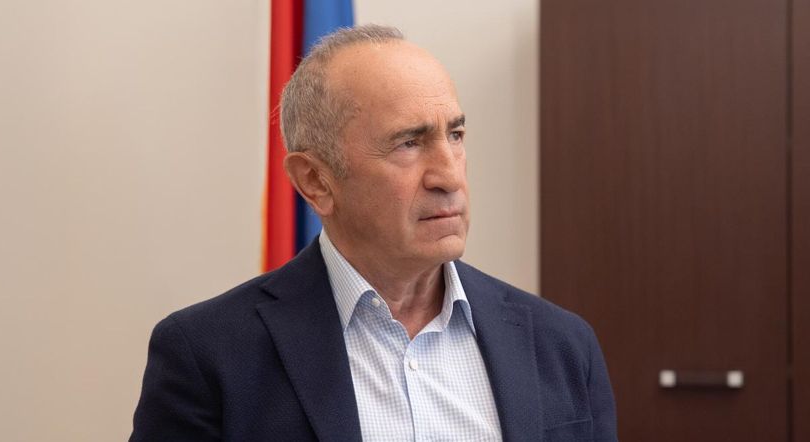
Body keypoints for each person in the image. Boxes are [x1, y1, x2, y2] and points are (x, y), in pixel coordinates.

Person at [130, 25, 617, 442]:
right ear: (316, 181)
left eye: (455, 135)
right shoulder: (209, 356)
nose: (449, 176)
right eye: (409, 143)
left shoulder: (562, 345)